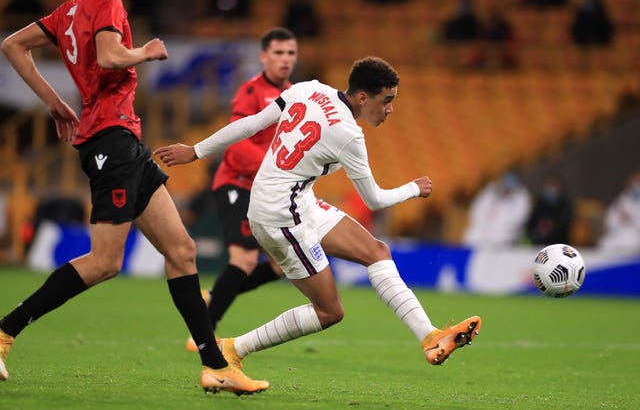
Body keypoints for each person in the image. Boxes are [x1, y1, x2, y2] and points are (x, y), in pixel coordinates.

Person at [0, 0, 267, 396]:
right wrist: (145, 51)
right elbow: (108, 56)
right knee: (105, 262)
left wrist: (54, 102)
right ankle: (4, 332)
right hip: (111, 143)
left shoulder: (68, 10)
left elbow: (13, 45)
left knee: (181, 250)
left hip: (123, 142)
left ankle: (215, 365)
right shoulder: (107, 2)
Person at [155, 56, 482, 373]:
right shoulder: (349, 135)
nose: (390, 108)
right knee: (329, 311)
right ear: (364, 97)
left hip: (294, 200)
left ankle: (429, 336)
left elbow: (252, 123)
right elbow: (374, 199)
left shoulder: (308, 88)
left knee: (376, 252)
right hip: (280, 215)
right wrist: (414, 188)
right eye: (387, 100)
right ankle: (234, 349)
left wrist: (195, 150)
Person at [184, 27, 297, 353]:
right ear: (264, 57)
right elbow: (237, 143)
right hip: (237, 183)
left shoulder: (295, 94)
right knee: (245, 259)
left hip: (267, 189)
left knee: (280, 266)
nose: (285, 59)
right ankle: (204, 333)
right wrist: (275, 166)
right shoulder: (250, 91)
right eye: (278, 53)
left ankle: (215, 295)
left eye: (290, 53)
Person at [462, 171, 532, 247]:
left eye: (509, 189)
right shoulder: (490, 194)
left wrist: (499, 230)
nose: (506, 191)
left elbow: (519, 218)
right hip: (479, 237)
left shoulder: (519, 199)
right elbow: (476, 212)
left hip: (503, 240)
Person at [526, 174, 574, 245]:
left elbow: (566, 225)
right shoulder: (539, 203)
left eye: (553, 185)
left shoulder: (565, 205)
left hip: (560, 244)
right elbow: (530, 225)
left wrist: (552, 227)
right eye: (548, 184)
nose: (550, 188)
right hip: (538, 245)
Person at [598, 171, 640, 250]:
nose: (637, 185)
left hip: (635, 237)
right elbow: (610, 221)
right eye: (636, 181)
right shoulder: (622, 199)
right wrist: (620, 219)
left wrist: (631, 219)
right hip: (617, 235)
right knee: (605, 243)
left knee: (630, 243)